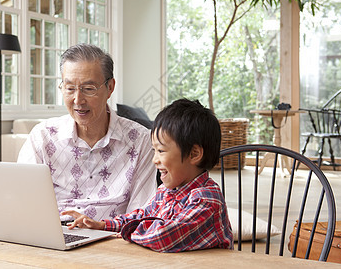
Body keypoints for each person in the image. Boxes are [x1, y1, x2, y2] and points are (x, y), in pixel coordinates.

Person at [0, 44, 157, 230]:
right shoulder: (43, 137)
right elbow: (22, 198)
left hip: (111, 238)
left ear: (110, 87)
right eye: (70, 88)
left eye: (89, 88)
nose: (78, 100)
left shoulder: (140, 141)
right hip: (53, 236)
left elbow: (140, 216)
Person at [63, 98, 233, 252]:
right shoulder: (166, 192)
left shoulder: (207, 199)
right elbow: (139, 216)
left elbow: (162, 236)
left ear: (194, 154)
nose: (154, 160)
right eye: (154, 151)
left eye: (161, 151)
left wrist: (124, 232)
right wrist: (101, 225)